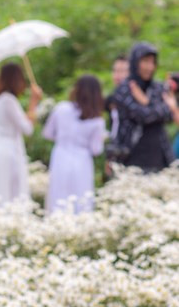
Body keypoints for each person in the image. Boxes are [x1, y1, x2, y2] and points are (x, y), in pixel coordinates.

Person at [111, 42, 179, 173]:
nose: (150, 67)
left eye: (153, 62)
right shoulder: (125, 89)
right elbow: (143, 116)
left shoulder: (157, 87)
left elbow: (170, 115)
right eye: (146, 61)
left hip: (161, 159)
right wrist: (161, 106)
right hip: (131, 159)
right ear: (135, 62)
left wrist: (146, 102)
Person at [42, 76, 106, 215]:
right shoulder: (97, 120)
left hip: (60, 156)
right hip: (82, 161)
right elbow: (96, 150)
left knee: (58, 194)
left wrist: (63, 139)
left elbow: (47, 133)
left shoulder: (61, 108)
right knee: (81, 198)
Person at [0, 63, 42, 206]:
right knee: (11, 195)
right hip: (9, 152)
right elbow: (27, 128)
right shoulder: (8, 100)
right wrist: (34, 102)